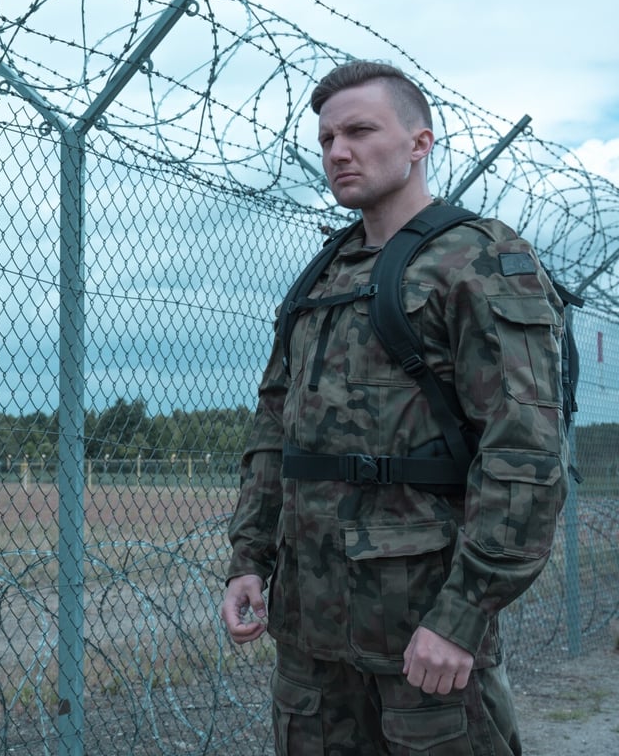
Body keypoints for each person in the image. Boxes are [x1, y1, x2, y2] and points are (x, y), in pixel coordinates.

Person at [221, 60, 569, 754]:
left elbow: (524, 453)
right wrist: (249, 558)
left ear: (419, 143)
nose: (338, 152)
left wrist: (463, 614)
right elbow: (275, 431)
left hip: (423, 635)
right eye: (325, 140)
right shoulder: (322, 275)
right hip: (310, 636)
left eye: (358, 131)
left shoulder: (476, 260)